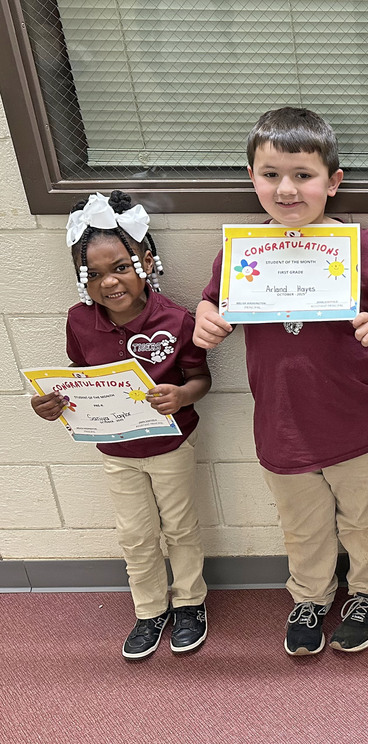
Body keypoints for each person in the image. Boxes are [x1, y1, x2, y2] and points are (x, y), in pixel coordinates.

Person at [193, 107, 368, 657]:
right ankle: (311, 594)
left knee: (364, 520)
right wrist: (204, 318)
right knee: (302, 525)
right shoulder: (244, 252)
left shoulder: (363, 248)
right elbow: (211, 300)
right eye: (270, 175)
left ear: (333, 183)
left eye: (302, 175)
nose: (286, 189)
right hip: (282, 422)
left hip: (355, 419)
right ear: (252, 178)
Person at [32, 191, 212, 659]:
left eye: (120, 267)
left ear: (146, 262)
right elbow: (77, 377)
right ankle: (150, 608)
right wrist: (56, 403)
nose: (109, 282)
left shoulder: (176, 318)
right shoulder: (79, 321)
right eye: (93, 275)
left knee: (180, 528)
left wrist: (181, 395)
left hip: (171, 445)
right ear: (81, 280)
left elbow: (200, 378)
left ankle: (190, 602)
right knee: (134, 534)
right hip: (116, 452)